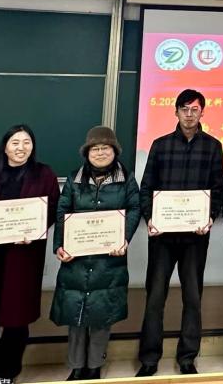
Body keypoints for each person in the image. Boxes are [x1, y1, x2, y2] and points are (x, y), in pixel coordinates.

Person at [136, 89, 223, 377]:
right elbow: (146, 187)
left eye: (194, 109)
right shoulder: (160, 145)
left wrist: (209, 217)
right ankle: (149, 358)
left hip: (195, 237)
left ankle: (187, 357)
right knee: (155, 297)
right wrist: (150, 218)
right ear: (175, 112)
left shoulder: (213, 146)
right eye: (184, 109)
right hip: (162, 236)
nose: (189, 114)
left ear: (202, 112)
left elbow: (218, 189)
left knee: (193, 298)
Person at [0, 125, 60, 384]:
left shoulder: (44, 174)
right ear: (5, 147)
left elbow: (52, 209)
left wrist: (35, 230)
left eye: (27, 142)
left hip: (23, 257)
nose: (21, 147)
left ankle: (8, 371)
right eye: (15, 142)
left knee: (16, 316)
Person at [50, 126, 141, 381]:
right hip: (76, 259)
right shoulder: (74, 178)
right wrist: (60, 245)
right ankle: (76, 366)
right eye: (95, 148)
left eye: (105, 148)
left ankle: (95, 365)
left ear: (115, 151)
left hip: (109, 259)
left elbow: (134, 208)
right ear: (87, 152)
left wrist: (124, 238)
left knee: (102, 315)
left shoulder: (127, 179)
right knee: (76, 315)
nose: (100, 153)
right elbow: (62, 211)